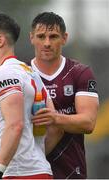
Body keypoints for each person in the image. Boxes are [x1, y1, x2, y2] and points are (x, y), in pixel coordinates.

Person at [0, 12, 59, 179]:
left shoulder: (5, 73)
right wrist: (35, 156)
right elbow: (55, 127)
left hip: (20, 175)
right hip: (36, 171)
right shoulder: (30, 73)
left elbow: (15, 125)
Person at [30, 12, 99, 179]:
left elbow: (88, 123)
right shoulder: (20, 73)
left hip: (70, 172)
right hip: (30, 173)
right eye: (41, 36)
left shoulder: (79, 72)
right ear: (31, 38)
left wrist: (54, 118)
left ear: (64, 38)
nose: (46, 43)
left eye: (53, 36)